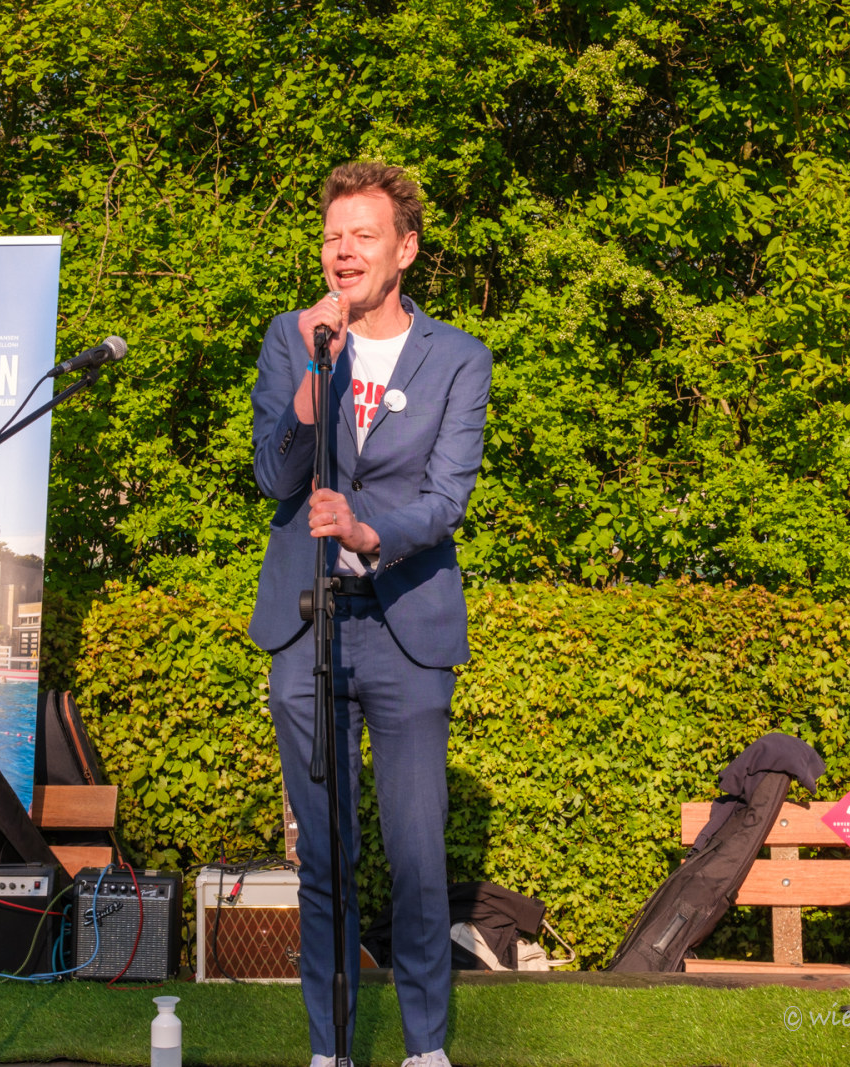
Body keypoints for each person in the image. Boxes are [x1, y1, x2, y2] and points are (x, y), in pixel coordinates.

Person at [248, 161, 490, 1067]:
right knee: (325, 855)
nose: (343, 252)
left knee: (417, 854)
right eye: (331, 236)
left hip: (406, 627)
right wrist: (315, 376)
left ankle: (424, 1048)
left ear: (406, 249)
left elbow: (446, 499)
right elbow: (274, 474)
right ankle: (332, 1048)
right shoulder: (293, 337)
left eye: (363, 235)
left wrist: (366, 527)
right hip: (308, 624)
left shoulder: (459, 357)